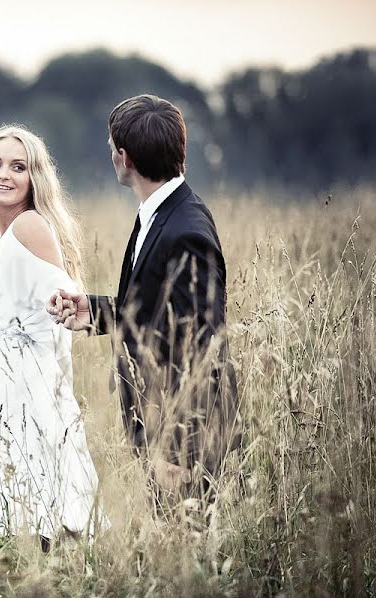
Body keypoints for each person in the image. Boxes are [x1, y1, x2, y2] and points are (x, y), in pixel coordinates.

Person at [48, 94, 242, 497]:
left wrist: (179, 453)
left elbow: (203, 349)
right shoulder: (162, 212)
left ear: (125, 158)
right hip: (159, 429)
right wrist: (96, 312)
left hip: (187, 448)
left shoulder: (185, 230)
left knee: (189, 553)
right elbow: (163, 313)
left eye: (111, 150)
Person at [0, 124, 105, 548]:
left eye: (17, 166)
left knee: (32, 521)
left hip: (24, 394)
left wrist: (51, 406)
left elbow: (61, 313)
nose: (3, 175)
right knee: (13, 527)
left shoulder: (30, 226)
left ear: (35, 178)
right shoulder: (13, 233)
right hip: (1, 388)